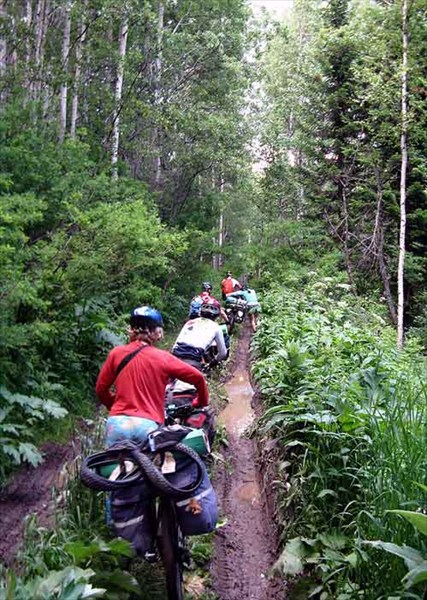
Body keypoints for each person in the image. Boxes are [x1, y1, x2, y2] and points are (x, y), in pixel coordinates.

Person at [96, 306, 209, 448]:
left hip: (117, 424)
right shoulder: (163, 357)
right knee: (153, 467)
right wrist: (200, 401)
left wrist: (116, 406)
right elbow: (198, 377)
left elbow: (101, 389)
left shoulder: (116, 353)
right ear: (157, 332)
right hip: (148, 423)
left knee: (112, 466)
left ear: (131, 329)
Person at [172, 298, 228, 370]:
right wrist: (214, 361)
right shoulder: (216, 327)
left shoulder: (189, 322)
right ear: (216, 315)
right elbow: (223, 353)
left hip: (175, 356)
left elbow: (176, 344)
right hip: (193, 359)